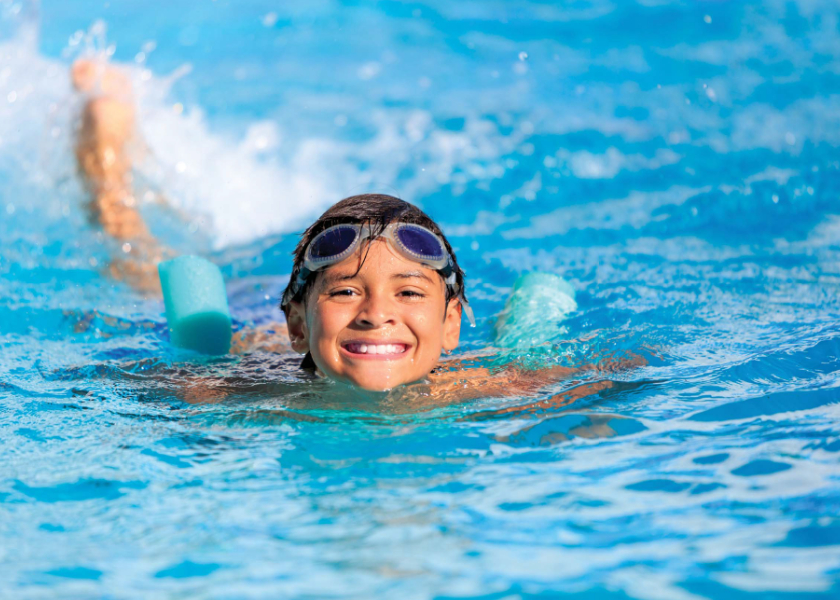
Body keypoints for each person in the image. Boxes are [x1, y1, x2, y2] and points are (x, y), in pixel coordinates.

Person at [71, 59, 640, 407]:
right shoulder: (246, 390)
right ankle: (107, 156)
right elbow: (102, 381)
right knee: (135, 260)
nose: (376, 312)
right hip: (248, 323)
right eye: (346, 290)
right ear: (297, 325)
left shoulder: (488, 388)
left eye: (410, 292)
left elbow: (624, 373)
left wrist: (586, 418)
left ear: (450, 326)